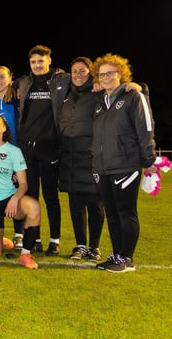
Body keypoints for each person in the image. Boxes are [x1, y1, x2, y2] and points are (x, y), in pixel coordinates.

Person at [91, 53, 157, 273]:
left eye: (110, 73)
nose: (106, 77)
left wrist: (148, 159)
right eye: (102, 75)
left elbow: (145, 127)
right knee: (111, 214)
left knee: (126, 212)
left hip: (125, 165)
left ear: (120, 73)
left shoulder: (133, 96)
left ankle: (127, 259)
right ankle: (117, 255)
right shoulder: (100, 102)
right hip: (103, 167)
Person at [12, 45, 67, 256]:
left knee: (51, 196)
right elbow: (1, 86)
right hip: (27, 147)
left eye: (41, 61)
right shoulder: (24, 83)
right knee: (32, 196)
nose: (37, 65)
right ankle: (34, 239)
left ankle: (55, 240)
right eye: (34, 62)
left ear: (49, 61)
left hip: (49, 146)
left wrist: (139, 86)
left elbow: (86, 81)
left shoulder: (61, 80)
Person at [0, 114, 41, 269]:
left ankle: (25, 254)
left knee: (34, 206)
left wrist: (15, 199)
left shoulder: (14, 151)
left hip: (9, 198)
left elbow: (23, 184)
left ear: (4, 128)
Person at [57, 57, 105, 261]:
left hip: (91, 153)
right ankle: (80, 246)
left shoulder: (99, 92)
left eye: (82, 71)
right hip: (69, 153)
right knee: (75, 203)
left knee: (95, 203)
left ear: (90, 73)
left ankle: (94, 247)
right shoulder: (66, 94)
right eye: (74, 71)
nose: (78, 74)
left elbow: (133, 89)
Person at [0, 65, 24, 249]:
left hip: (15, 154)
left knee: (16, 190)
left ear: (10, 79)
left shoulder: (18, 99)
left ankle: (19, 234)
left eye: (2, 77)